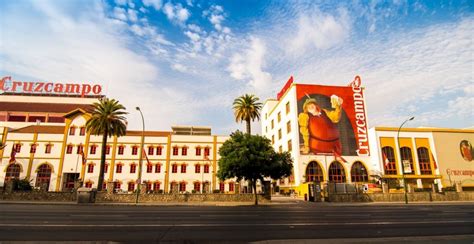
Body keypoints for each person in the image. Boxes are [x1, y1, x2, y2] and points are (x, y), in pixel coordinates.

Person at [298, 95, 344, 161]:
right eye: (308, 106)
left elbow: (336, 118)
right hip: (317, 147)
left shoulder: (324, 112)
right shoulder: (305, 116)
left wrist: (338, 106)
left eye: (312, 105)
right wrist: (307, 146)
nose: (310, 107)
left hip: (334, 147)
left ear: (316, 105)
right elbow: (305, 132)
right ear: (306, 109)